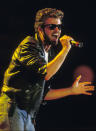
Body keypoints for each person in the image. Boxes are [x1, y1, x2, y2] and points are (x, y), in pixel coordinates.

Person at [0, 8, 95, 131]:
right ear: (40, 29)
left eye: (59, 27)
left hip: (28, 114)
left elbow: (43, 94)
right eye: (52, 27)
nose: (57, 30)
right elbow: (47, 73)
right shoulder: (29, 46)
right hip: (13, 108)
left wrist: (71, 90)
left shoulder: (48, 54)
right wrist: (66, 49)